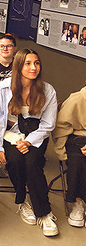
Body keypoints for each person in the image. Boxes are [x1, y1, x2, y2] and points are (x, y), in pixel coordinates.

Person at [0, 49, 58, 237]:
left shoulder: (48, 90)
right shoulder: (4, 88)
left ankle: (44, 213)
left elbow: (48, 125)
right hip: (11, 134)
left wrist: (28, 142)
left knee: (32, 163)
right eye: (28, 63)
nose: (33, 67)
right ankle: (22, 201)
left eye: (36, 63)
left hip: (36, 134)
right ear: (19, 65)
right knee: (14, 161)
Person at [52, 81, 86, 227]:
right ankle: (78, 202)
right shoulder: (76, 99)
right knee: (77, 162)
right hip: (76, 137)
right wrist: (61, 153)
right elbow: (61, 127)